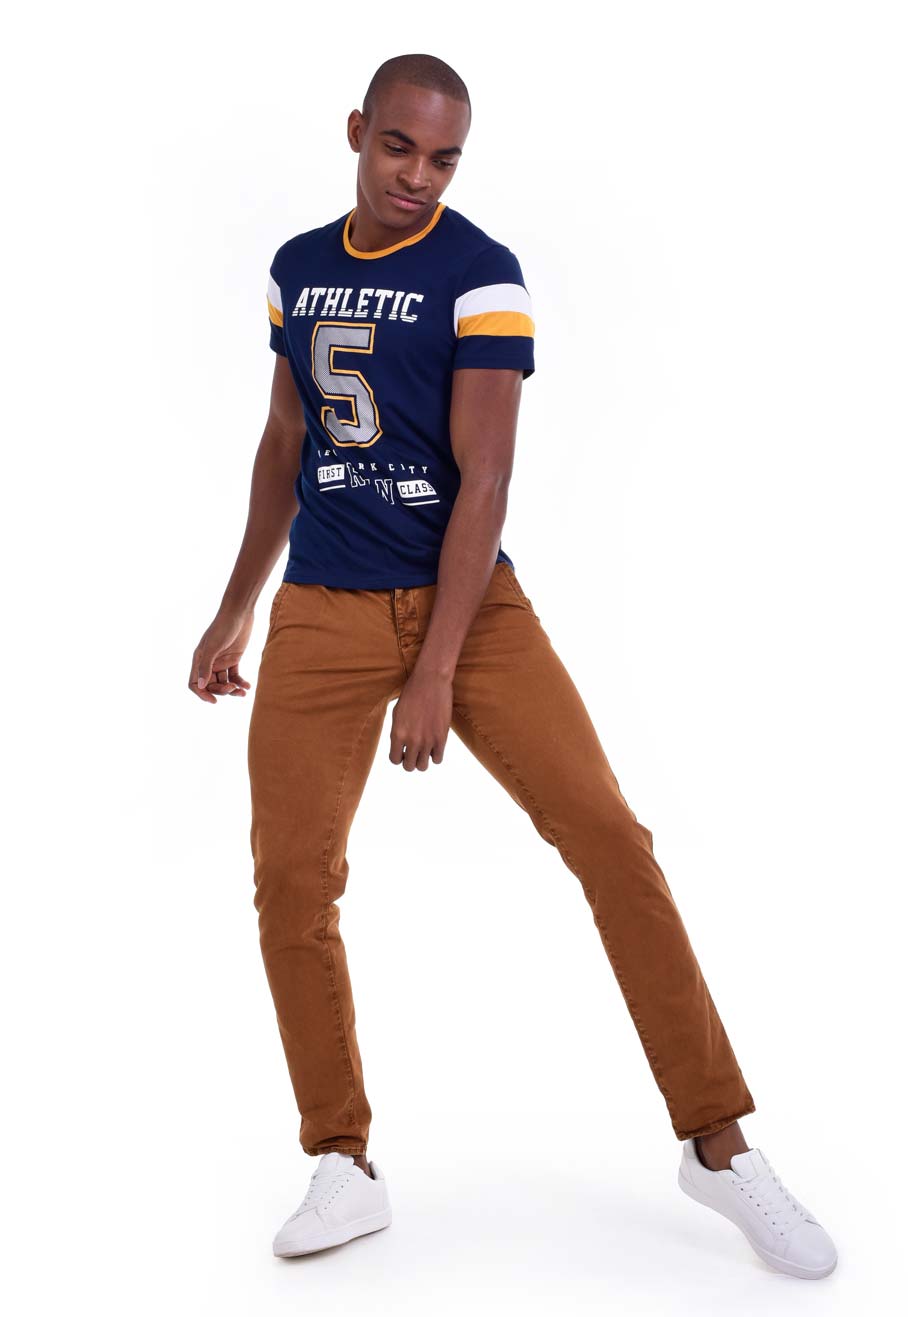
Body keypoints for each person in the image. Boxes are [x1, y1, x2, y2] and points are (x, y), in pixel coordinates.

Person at [189, 53, 837, 1280]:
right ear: (356, 131)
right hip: (321, 606)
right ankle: (341, 1160)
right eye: (397, 147)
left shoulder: (480, 273)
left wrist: (435, 668)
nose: (417, 176)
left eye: (442, 158)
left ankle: (715, 1142)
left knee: (607, 835)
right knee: (289, 880)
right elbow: (284, 439)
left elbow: (484, 479)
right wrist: (234, 610)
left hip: (471, 610)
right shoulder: (298, 266)